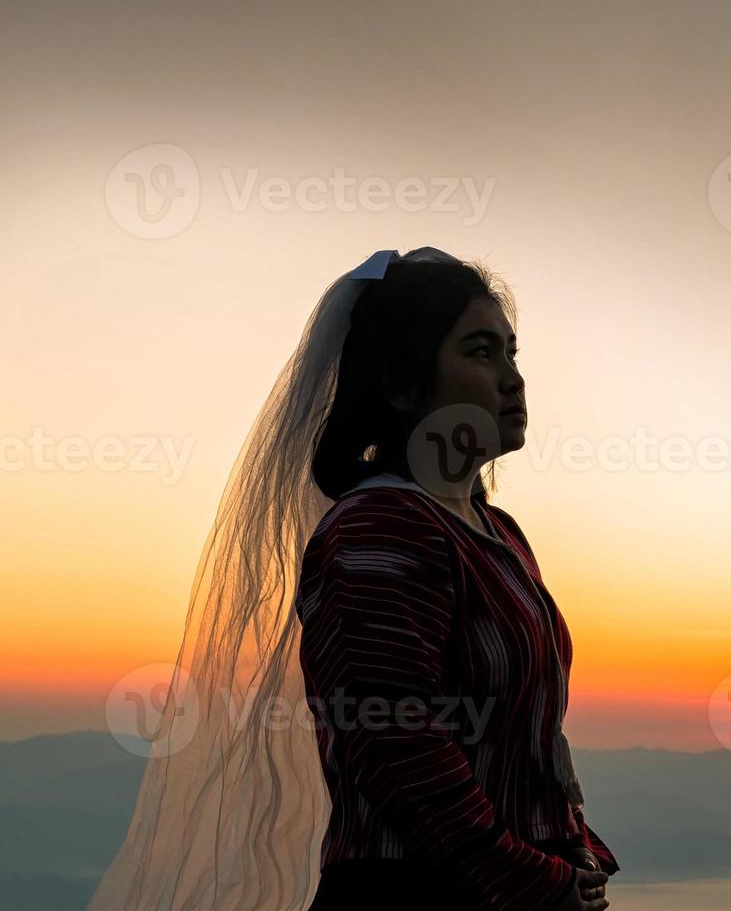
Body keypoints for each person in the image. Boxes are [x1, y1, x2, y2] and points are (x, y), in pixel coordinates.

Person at [91, 249, 616, 911]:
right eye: (481, 353)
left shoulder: (497, 532)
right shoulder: (381, 530)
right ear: (400, 385)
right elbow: (396, 741)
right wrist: (528, 880)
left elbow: (523, 742)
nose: (513, 380)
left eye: (512, 353)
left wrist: (573, 851)